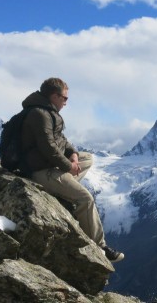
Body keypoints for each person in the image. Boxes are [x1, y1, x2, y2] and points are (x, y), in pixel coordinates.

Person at [20, 77, 124, 263]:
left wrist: (74, 154)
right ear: (54, 96)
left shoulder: (48, 111)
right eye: (64, 98)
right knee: (85, 199)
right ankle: (99, 247)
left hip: (50, 165)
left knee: (88, 158)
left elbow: (62, 141)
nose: (66, 102)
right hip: (41, 171)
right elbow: (48, 148)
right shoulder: (40, 114)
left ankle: (62, 188)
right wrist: (69, 166)